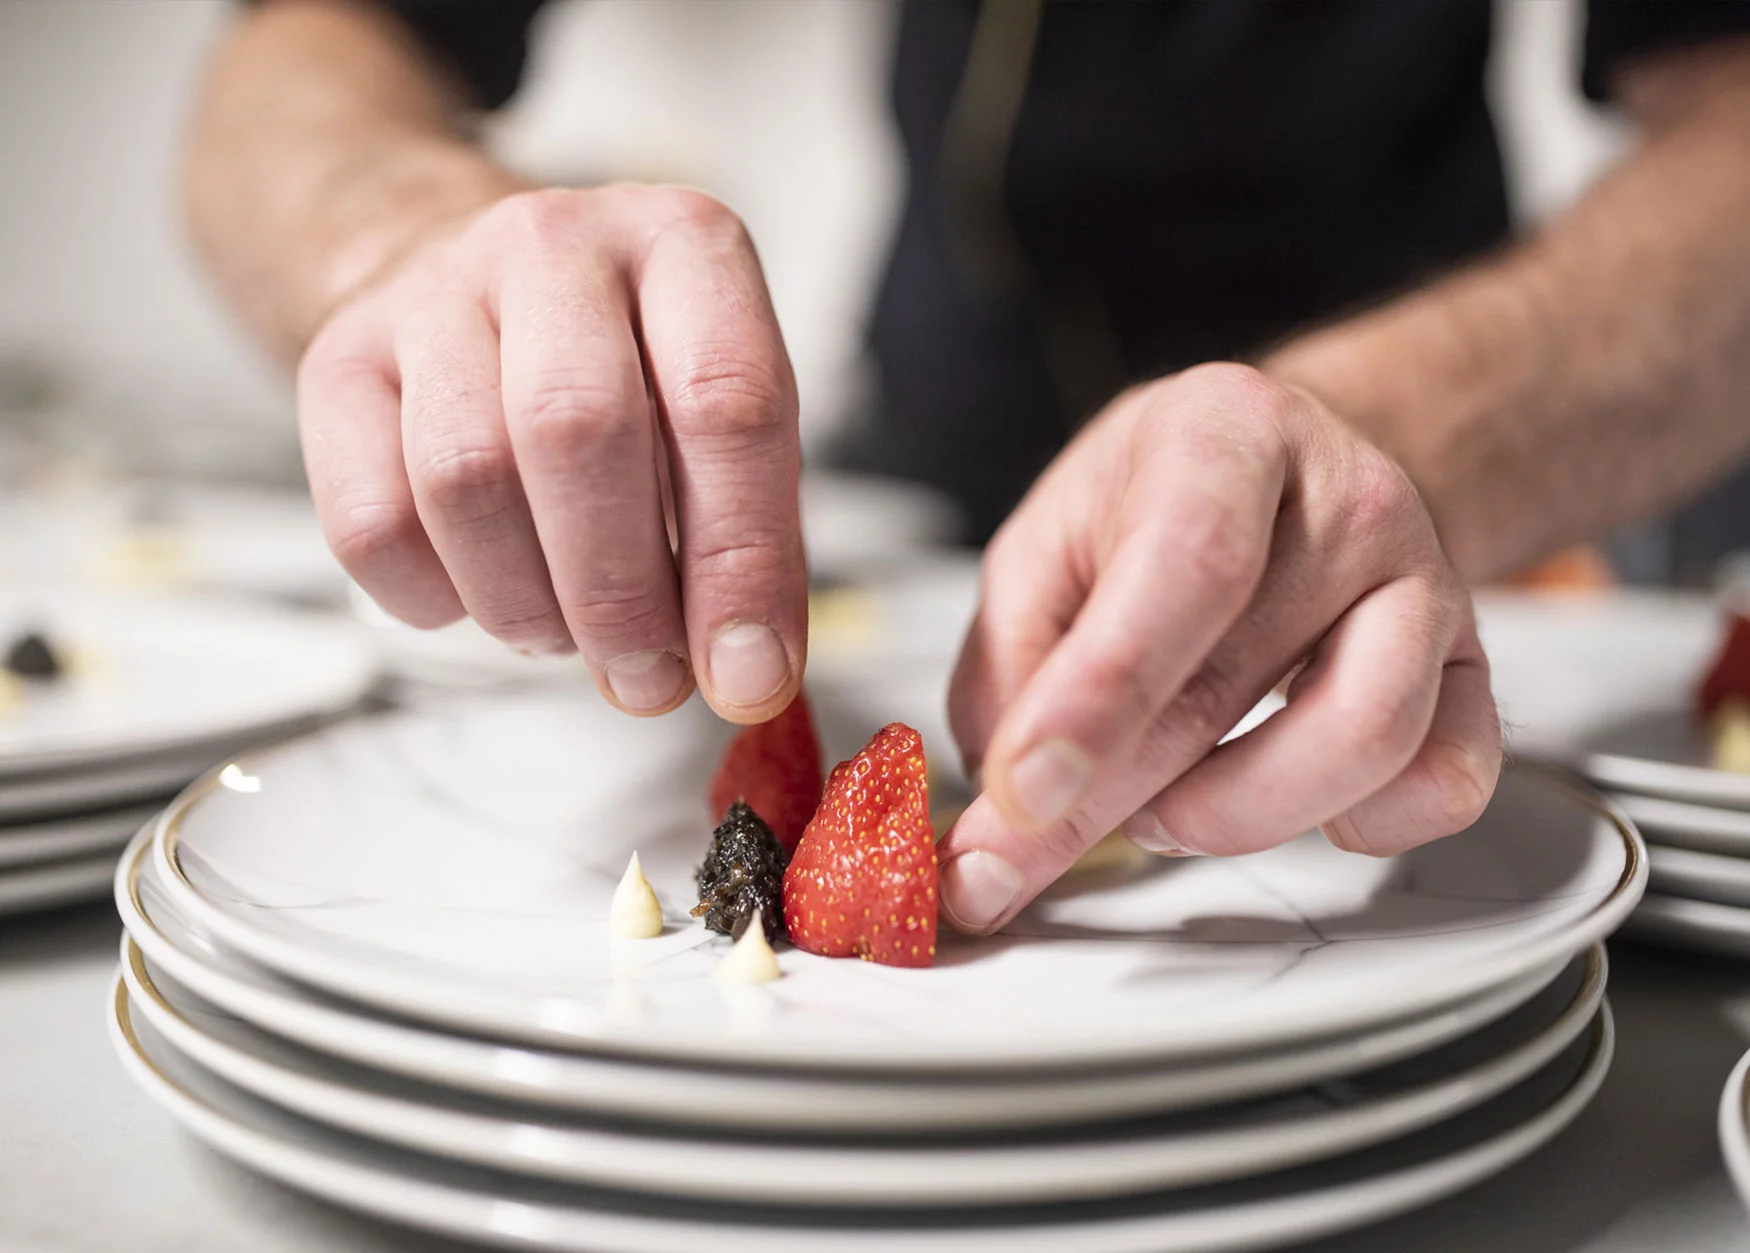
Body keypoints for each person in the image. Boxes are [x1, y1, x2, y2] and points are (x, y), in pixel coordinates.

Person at [184, 0, 1750, 936]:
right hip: (920, 446)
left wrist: (1385, 431)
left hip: (1416, 509)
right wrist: (401, 242)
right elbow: (300, 48)